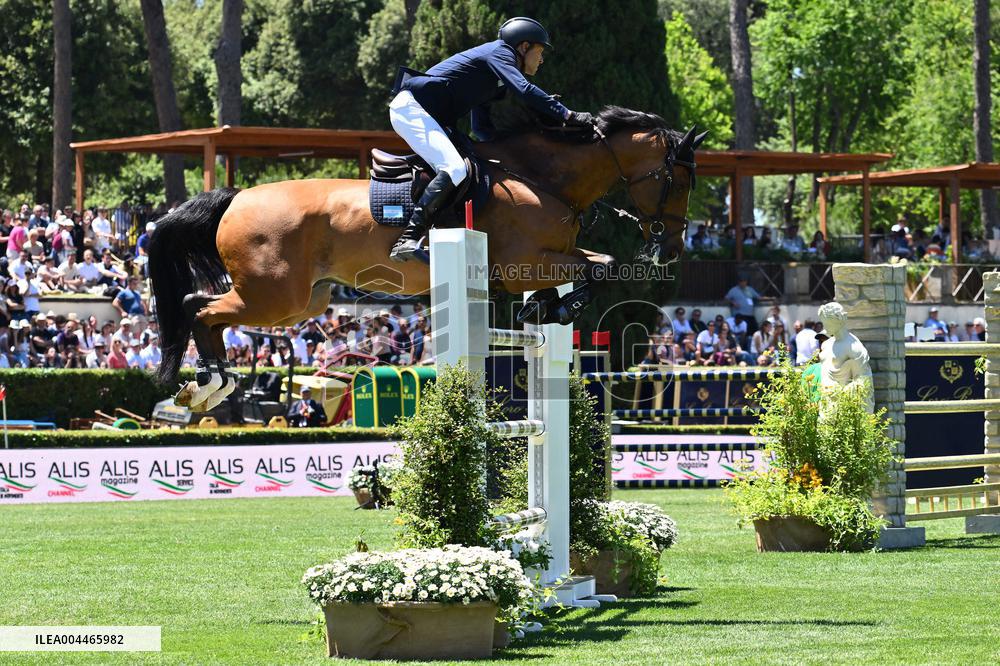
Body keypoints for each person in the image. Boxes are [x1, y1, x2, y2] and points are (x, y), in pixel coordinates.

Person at [386, 17, 593, 262]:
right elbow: (524, 90)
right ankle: (407, 238)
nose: (542, 59)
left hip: (428, 114)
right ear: (524, 47)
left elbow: (480, 127)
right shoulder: (500, 53)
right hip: (411, 109)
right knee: (454, 168)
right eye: (540, 51)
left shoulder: (492, 78)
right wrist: (567, 114)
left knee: (474, 165)